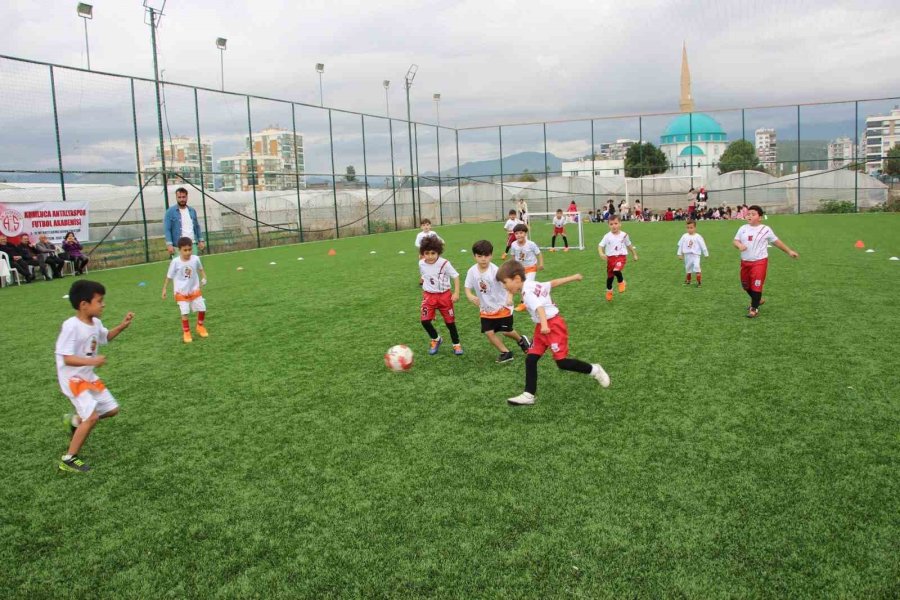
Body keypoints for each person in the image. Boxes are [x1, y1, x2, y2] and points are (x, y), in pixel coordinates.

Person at [496, 260, 610, 406]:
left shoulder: (527, 292)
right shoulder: (531, 284)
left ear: (517, 279)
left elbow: (540, 308)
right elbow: (552, 283)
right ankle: (528, 394)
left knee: (561, 362)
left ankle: (595, 370)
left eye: (505, 283)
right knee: (531, 359)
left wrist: (544, 325)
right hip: (542, 327)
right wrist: (573, 277)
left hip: (552, 326)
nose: (504, 287)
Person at [57, 280, 135, 473]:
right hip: (73, 380)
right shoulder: (71, 326)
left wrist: (122, 326)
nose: (103, 305)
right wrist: (92, 362)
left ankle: (75, 421)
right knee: (91, 417)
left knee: (112, 409)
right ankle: (68, 459)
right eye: (99, 301)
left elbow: (105, 337)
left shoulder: (96, 323)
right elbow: (66, 358)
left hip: (88, 376)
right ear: (84, 305)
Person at [464, 240, 531, 363]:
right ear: (474, 256)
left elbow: (510, 285)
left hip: (502, 306)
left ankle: (521, 340)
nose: (483, 259)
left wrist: (509, 297)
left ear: (491, 255)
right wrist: (470, 296)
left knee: (506, 331)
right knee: (489, 333)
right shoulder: (472, 271)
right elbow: (467, 287)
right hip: (486, 309)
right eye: (479, 256)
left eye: (486, 256)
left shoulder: (496, 271)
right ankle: (505, 352)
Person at [733, 205, 799, 318]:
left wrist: (789, 251)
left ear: (760, 217)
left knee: (756, 285)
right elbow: (735, 241)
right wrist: (739, 245)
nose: (750, 216)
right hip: (745, 262)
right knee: (745, 286)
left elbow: (776, 242)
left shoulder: (765, 229)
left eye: (753, 214)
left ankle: (754, 309)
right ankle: (758, 300)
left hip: (759, 262)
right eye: (748, 214)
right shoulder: (742, 228)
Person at [419, 235, 463, 355]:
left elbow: (456, 276)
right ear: (423, 253)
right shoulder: (421, 263)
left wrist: (456, 292)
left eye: (433, 253)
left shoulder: (444, 263)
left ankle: (456, 344)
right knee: (424, 321)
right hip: (429, 296)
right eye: (427, 253)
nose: (430, 256)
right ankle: (436, 339)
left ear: (438, 252)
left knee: (450, 323)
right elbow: (424, 275)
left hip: (444, 296)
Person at [162, 236, 209, 343]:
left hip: (194, 290)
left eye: (190, 249)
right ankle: (186, 332)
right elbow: (169, 276)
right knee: (185, 312)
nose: (188, 252)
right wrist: (164, 289)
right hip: (181, 292)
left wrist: (204, 278)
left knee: (202, 308)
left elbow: (201, 269)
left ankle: (200, 326)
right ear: (179, 250)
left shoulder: (196, 258)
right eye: (185, 250)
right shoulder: (175, 262)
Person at [598, 215, 638, 302]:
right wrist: (601, 253)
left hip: (621, 257)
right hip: (610, 259)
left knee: (616, 270)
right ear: (608, 225)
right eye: (611, 224)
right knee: (610, 278)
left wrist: (634, 254)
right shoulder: (607, 236)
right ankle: (609, 291)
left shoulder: (624, 235)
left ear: (620, 224)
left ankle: (621, 282)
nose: (614, 226)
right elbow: (600, 245)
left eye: (616, 223)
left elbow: (629, 245)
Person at [510, 223, 543, 311]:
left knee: (525, 285)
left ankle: (523, 304)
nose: (519, 235)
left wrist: (541, 264)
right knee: (521, 286)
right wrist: (513, 266)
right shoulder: (513, 245)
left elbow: (538, 253)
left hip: (531, 267)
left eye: (521, 233)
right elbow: (513, 256)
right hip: (520, 269)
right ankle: (536, 293)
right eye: (516, 233)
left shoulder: (531, 244)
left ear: (525, 234)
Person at [164, 187, 206, 256]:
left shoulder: (192, 211)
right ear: (176, 198)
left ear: (187, 197)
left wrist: (200, 240)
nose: (182, 199)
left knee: (193, 266)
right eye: (179, 197)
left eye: (183, 197)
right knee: (180, 267)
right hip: (178, 247)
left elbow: (197, 227)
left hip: (192, 245)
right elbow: (167, 229)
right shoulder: (170, 212)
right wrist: (169, 244)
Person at [676, 219, 709, 287]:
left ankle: (699, 282)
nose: (689, 229)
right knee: (688, 268)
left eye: (691, 228)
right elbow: (680, 245)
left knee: (697, 267)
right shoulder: (684, 236)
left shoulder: (698, 236)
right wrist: (679, 254)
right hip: (687, 255)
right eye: (688, 228)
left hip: (695, 255)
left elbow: (703, 245)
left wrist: (706, 253)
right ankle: (688, 281)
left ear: (695, 228)